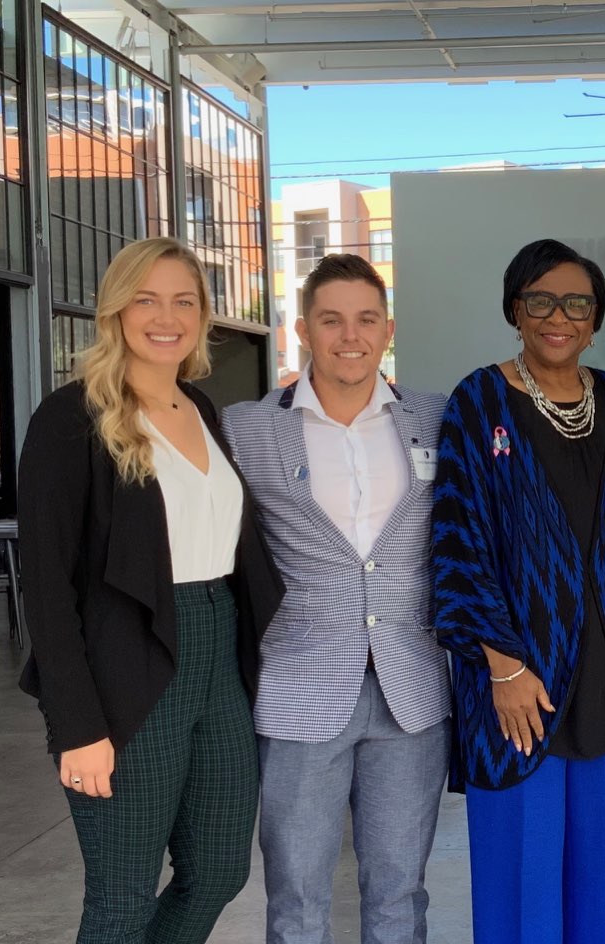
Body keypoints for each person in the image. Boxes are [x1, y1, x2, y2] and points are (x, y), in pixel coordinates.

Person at [16, 236, 283, 943]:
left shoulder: (200, 406)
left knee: (220, 869)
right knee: (122, 900)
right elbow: (46, 586)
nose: (166, 316)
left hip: (216, 655)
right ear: (115, 310)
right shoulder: (71, 418)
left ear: (203, 316)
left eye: (183, 301)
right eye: (146, 299)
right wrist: (77, 725)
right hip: (125, 669)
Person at [222, 253, 452, 944]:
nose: (349, 336)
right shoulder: (246, 429)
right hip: (298, 690)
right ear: (302, 330)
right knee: (296, 900)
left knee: (399, 895)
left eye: (365, 319)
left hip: (412, 690)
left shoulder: (439, 420)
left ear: (388, 330)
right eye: (331, 320)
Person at [431, 238, 605, 944]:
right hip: (515, 688)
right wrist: (503, 666)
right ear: (515, 309)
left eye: (577, 302)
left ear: (596, 317)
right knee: (521, 891)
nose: (559, 316)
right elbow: (458, 545)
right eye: (541, 300)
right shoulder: (478, 400)